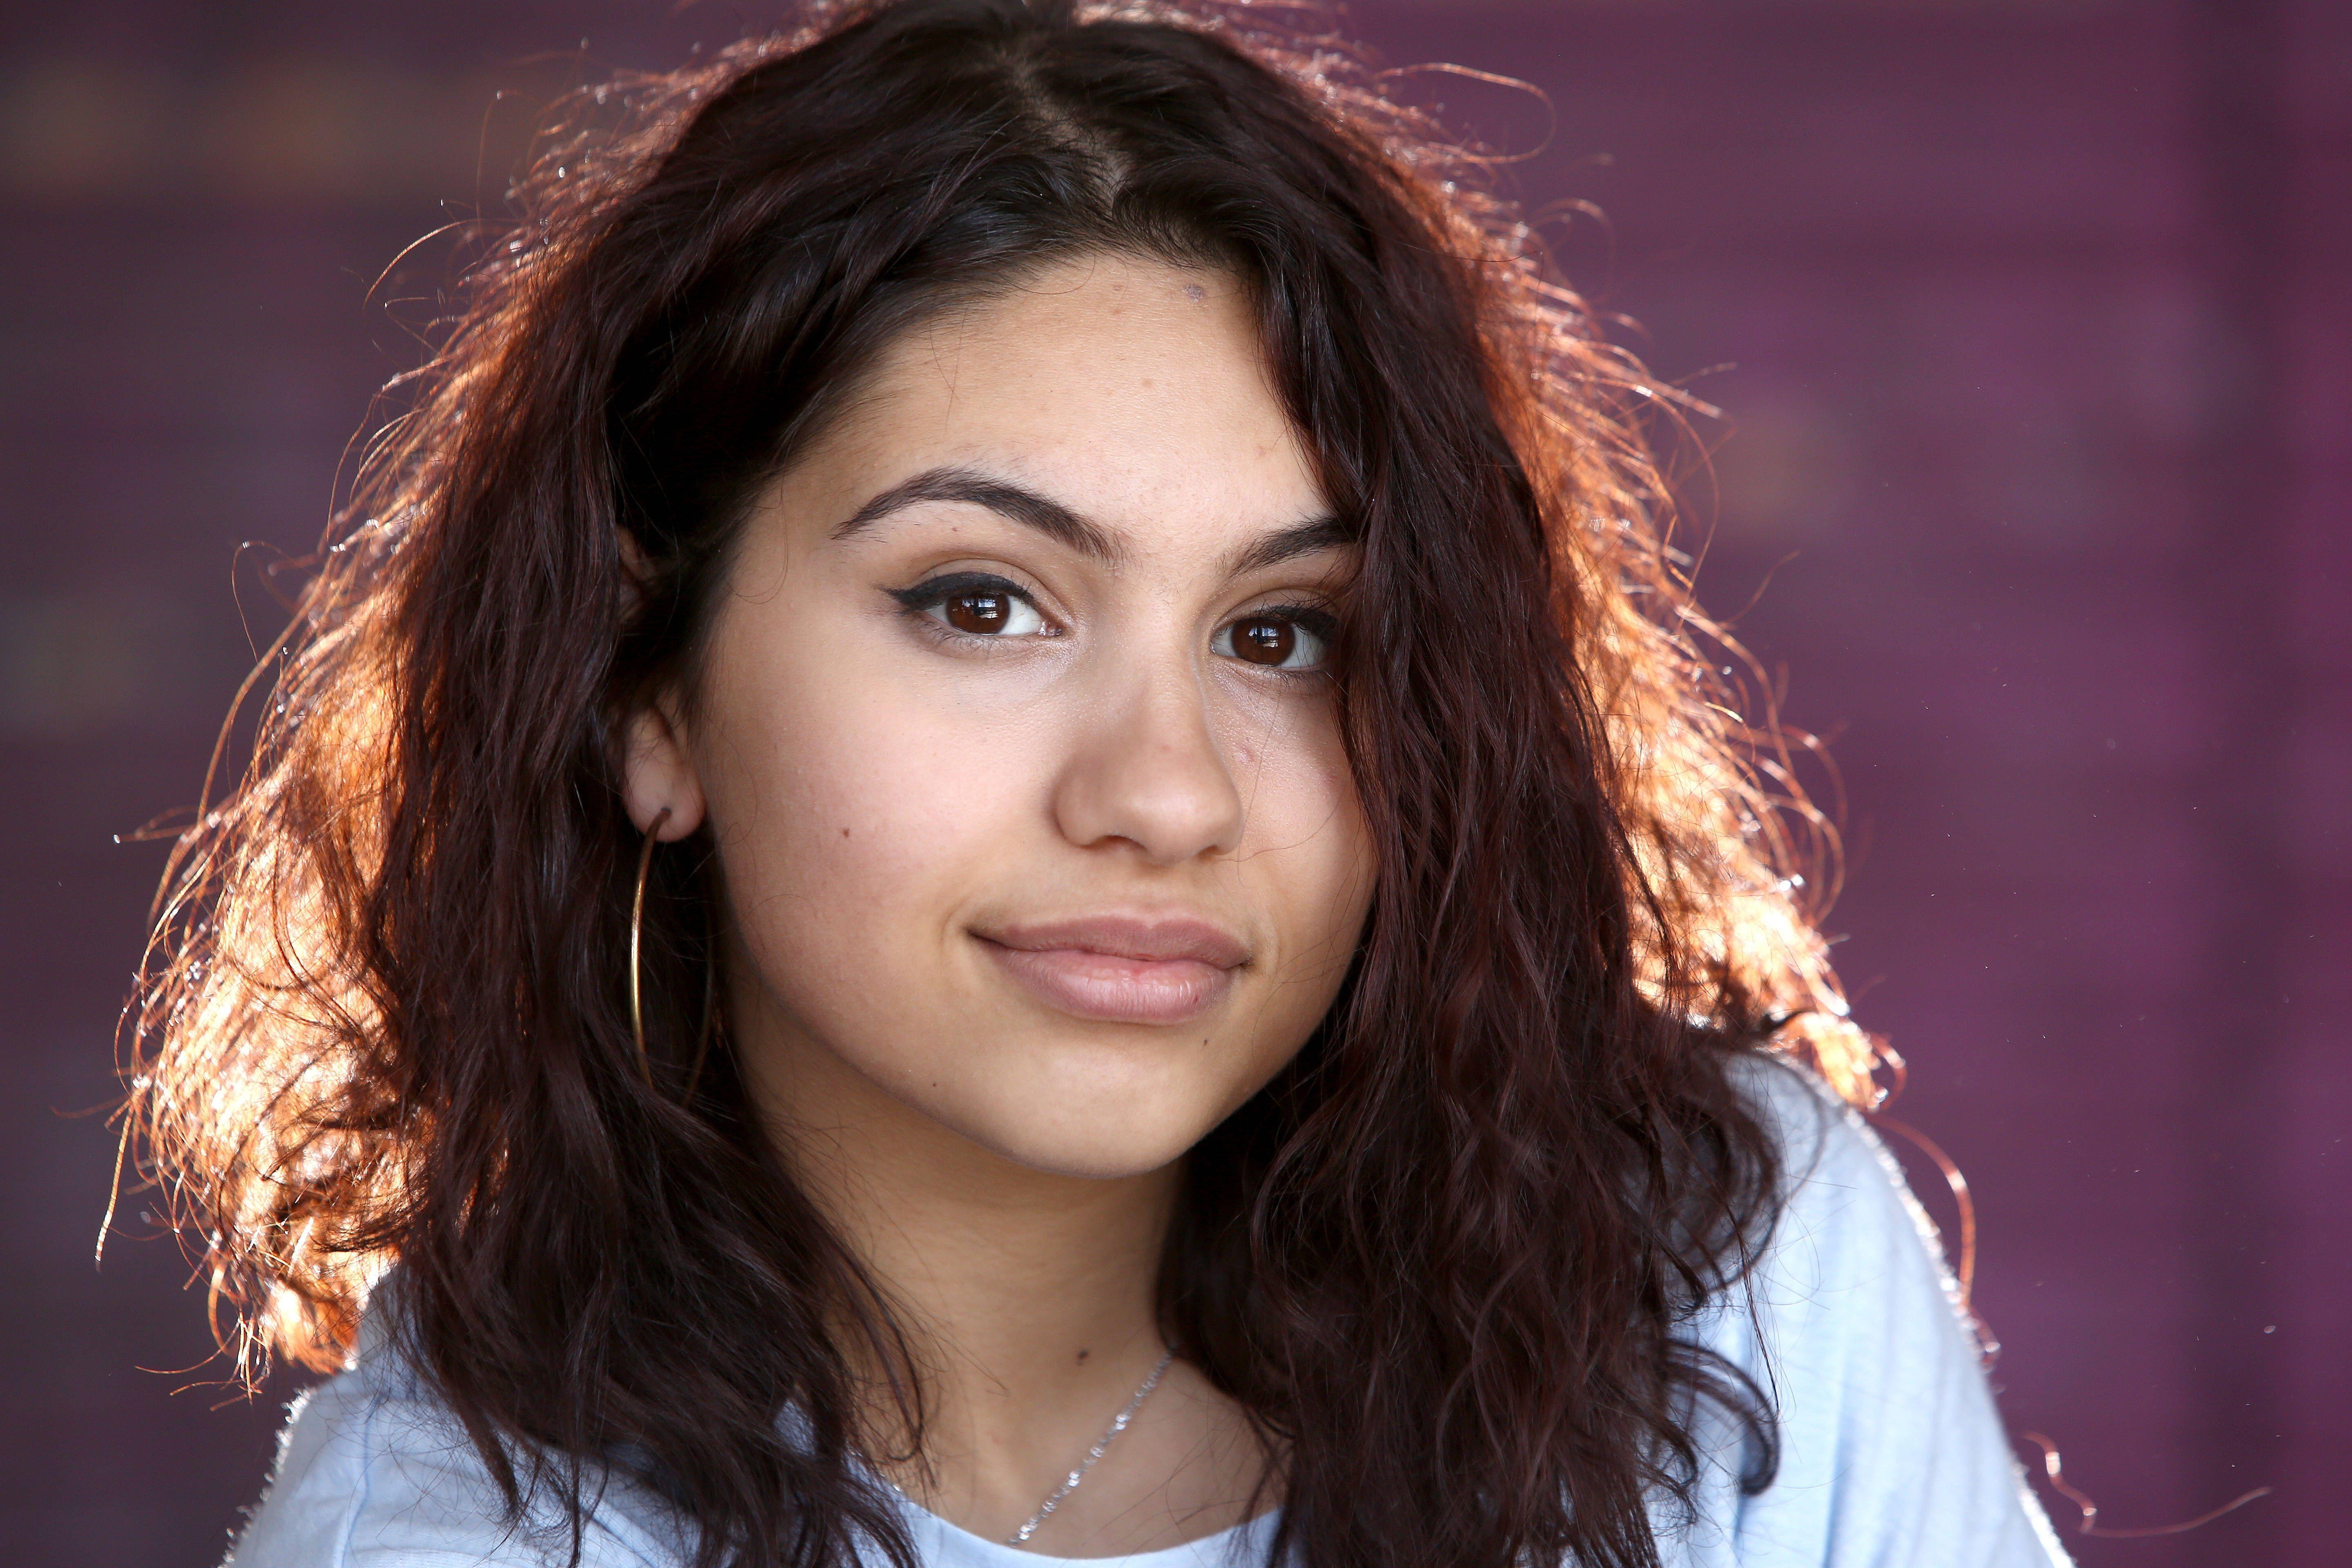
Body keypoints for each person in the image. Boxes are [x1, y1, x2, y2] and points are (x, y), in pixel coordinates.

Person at [125, 2, 2073, 1564]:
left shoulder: (1721, 1285)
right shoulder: (448, 1543)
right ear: (648, 689)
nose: (1167, 796)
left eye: (1282, 633)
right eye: (983, 604)